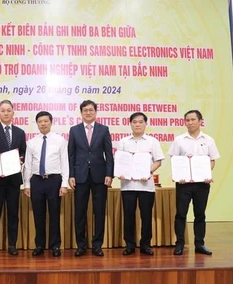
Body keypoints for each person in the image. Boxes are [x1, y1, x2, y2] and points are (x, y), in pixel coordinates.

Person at [168, 110, 219, 256]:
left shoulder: (208, 140)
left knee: (200, 214)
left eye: (192, 120)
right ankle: (179, 244)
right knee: (181, 214)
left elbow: (212, 160)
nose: (189, 123)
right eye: (187, 120)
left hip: (202, 184)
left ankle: (200, 244)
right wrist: (178, 176)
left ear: (200, 121)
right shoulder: (179, 140)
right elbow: (175, 160)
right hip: (184, 184)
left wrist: (207, 174)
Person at [68, 100, 113, 257]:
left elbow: (109, 154)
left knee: (99, 212)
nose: (88, 112)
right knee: (79, 212)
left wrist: (109, 174)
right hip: (80, 176)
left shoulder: (103, 129)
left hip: (99, 176)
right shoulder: (74, 130)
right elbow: (71, 154)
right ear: (81, 113)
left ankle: (97, 245)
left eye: (91, 110)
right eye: (85, 110)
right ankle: (81, 245)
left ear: (96, 112)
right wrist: (71, 175)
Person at [117, 112, 164, 256]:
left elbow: (158, 160)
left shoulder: (152, 141)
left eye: (140, 122)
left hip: (146, 186)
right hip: (128, 185)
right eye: (134, 122)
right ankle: (129, 245)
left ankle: (145, 245)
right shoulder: (124, 141)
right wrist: (120, 171)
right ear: (130, 124)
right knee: (129, 215)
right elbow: (119, 161)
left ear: (145, 124)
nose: (137, 124)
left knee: (146, 216)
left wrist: (148, 171)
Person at [23, 111, 69, 257]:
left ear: (51, 122)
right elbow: (28, 165)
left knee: (54, 214)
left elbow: (65, 163)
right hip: (36, 180)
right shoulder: (31, 142)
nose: (43, 124)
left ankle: (55, 245)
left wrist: (64, 184)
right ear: (36, 124)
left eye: (45, 121)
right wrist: (27, 184)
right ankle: (39, 245)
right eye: (40, 121)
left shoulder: (60, 141)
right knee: (38, 214)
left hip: (54, 180)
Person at [0, 100, 26, 256]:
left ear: (13, 112)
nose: (6, 113)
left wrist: (20, 159)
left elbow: (23, 152)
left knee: (13, 213)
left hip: (13, 180)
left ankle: (12, 244)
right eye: (3, 110)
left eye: (9, 110)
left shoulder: (20, 132)